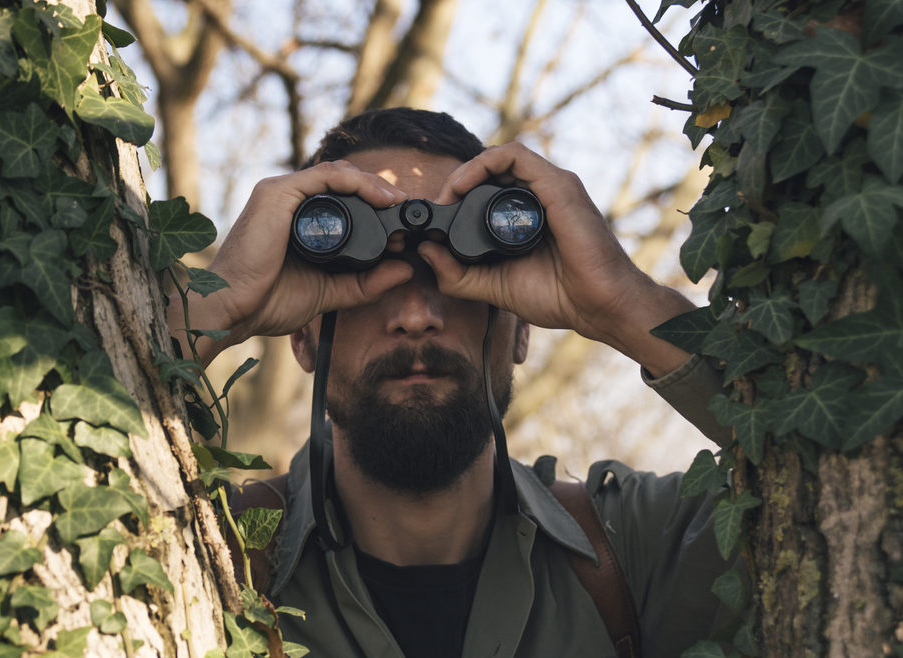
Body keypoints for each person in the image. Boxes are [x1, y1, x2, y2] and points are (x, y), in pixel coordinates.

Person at [167, 108, 733, 657]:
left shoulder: (638, 548)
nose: (416, 314)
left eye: (462, 273)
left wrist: (621, 299)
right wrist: (218, 305)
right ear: (301, 338)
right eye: (363, 275)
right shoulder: (212, 554)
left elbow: (810, 457)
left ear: (521, 332)